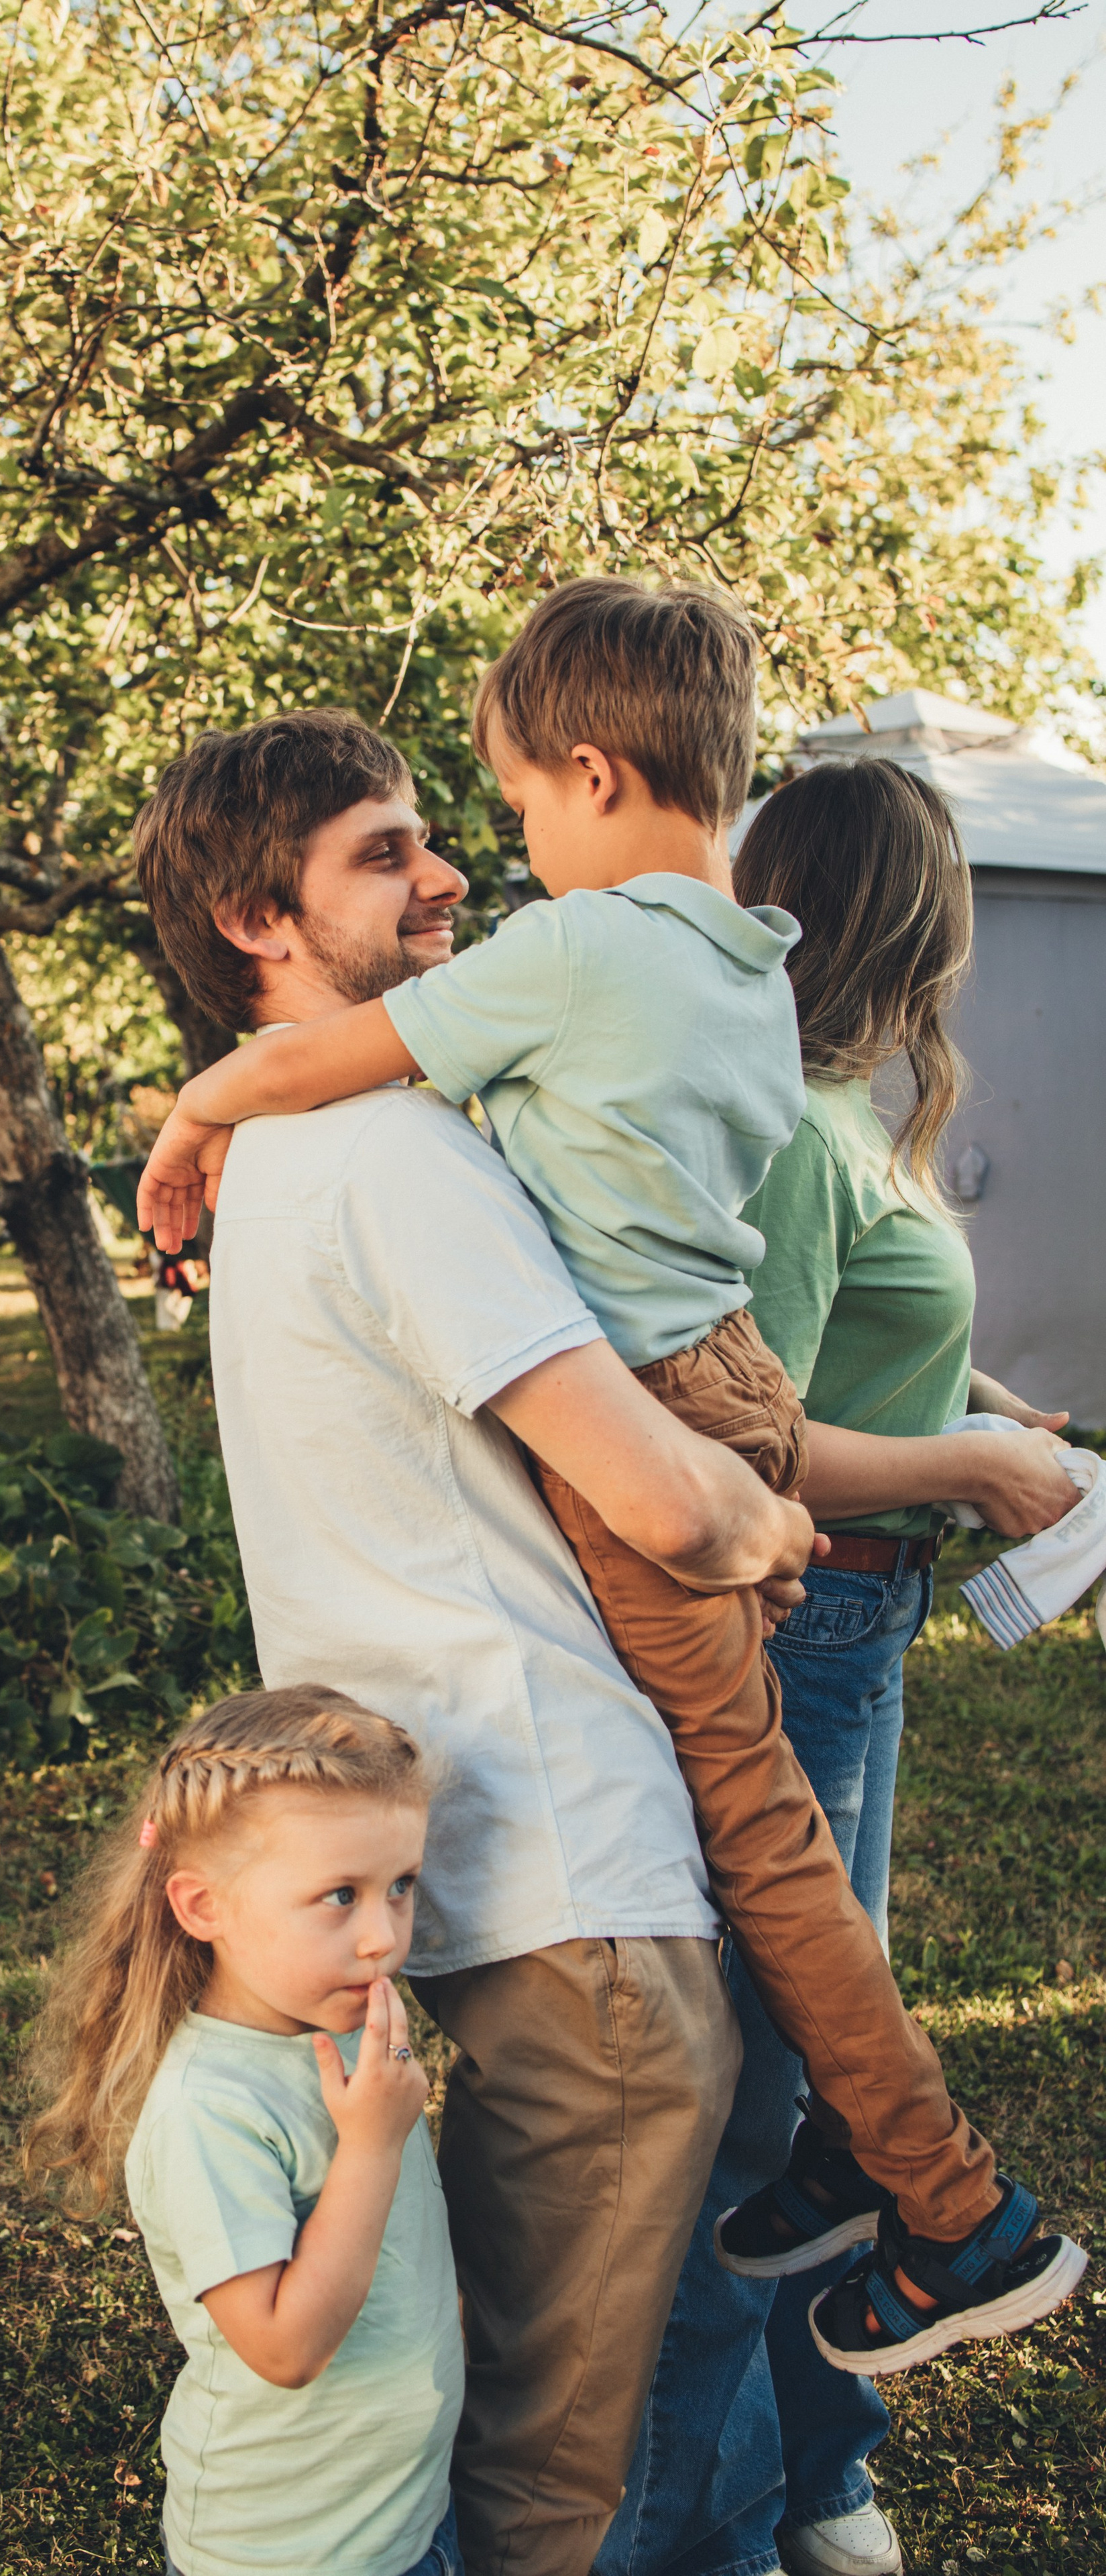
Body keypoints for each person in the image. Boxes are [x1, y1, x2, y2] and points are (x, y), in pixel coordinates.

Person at [136, 581, 1083, 2374]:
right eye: (409, 846)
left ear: (590, 768)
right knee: (788, 1843)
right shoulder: (749, 960)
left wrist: (192, 1118)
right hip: (723, 1364)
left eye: (500, 811)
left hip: (661, 1396)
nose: (491, 861)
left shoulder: (576, 953)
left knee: (765, 1844)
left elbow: (325, 1059)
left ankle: (957, 2207)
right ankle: (860, 2167)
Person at [133, 702, 810, 2576]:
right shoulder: (383, 1154)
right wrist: (765, 1522)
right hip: (576, 1874)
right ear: (255, 915)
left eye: (437, 832)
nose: (446, 875)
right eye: (382, 852)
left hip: (497, 1864)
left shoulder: (296, 1141)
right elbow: (666, 1496)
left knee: (543, 2413)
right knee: (555, 2475)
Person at [599, 758, 1079, 2576]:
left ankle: (815, 2473)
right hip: (811, 1637)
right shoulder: (793, 1136)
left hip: (863, 1635)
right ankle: (712, 2524)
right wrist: (972, 1468)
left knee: (804, 2121)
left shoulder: (835, 1116)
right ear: (921, 926)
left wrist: (971, 1406)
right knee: (752, 2124)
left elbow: (844, 1363)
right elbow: (753, 1444)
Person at [25, 1686, 465, 2576]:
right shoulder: (208, 2111)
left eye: (401, 1887)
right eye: (339, 1896)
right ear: (203, 1908)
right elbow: (284, 2345)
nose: (383, 1936)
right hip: (288, 2550)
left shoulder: (338, 2032)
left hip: (399, 2521)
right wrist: (374, 2144)